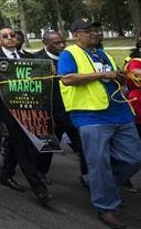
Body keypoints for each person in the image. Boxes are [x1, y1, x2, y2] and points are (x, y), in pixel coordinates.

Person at [58, 19, 141, 229]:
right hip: (90, 116)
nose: (95, 34)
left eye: (96, 30)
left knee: (134, 158)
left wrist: (123, 77)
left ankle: (99, 183)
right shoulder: (69, 54)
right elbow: (67, 79)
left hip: (120, 112)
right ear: (76, 34)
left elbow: (114, 79)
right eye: (88, 31)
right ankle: (106, 207)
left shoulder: (104, 54)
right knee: (99, 163)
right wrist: (102, 74)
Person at [0, 26, 37, 193]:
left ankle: (6, 175)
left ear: (17, 38)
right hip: (6, 107)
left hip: (28, 106)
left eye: (12, 35)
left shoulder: (29, 58)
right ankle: (38, 187)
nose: (9, 38)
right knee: (19, 142)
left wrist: (50, 72)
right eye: (5, 36)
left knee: (20, 142)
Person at [33, 30, 86, 184]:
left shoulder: (72, 57)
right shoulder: (36, 59)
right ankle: (40, 173)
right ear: (45, 43)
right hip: (50, 111)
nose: (62, 45)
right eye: (56, 43)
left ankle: (88, 176)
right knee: (47, 146)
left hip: (74, 109)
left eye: (63, 42)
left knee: (83, 145)